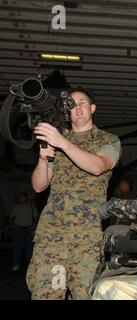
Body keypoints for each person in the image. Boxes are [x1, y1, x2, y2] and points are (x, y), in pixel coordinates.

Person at [27, 88, 121, 299]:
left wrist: (62, 143)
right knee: (47, 295)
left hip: (87, 241)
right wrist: (43, 159)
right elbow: (38, 186)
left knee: (86, 295)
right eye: (71, 104)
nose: (76, 108)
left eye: (82, 103)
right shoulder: (57, 139)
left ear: (93, 108)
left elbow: (98, 166)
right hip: (52, 239)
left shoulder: (108, 140)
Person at [10, 192, 38, 271]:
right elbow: (11, 217)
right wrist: (12, 225)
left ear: (26, 198)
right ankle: (16, 264)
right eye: (20, 198)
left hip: (28, 230)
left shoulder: (31, 206)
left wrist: (34, 226)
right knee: (16, 248)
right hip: (18, 230)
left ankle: (31, 266)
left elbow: (36, 217)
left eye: (23, 198)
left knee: (29, 248)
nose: (21, 199)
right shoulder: (16, 207)